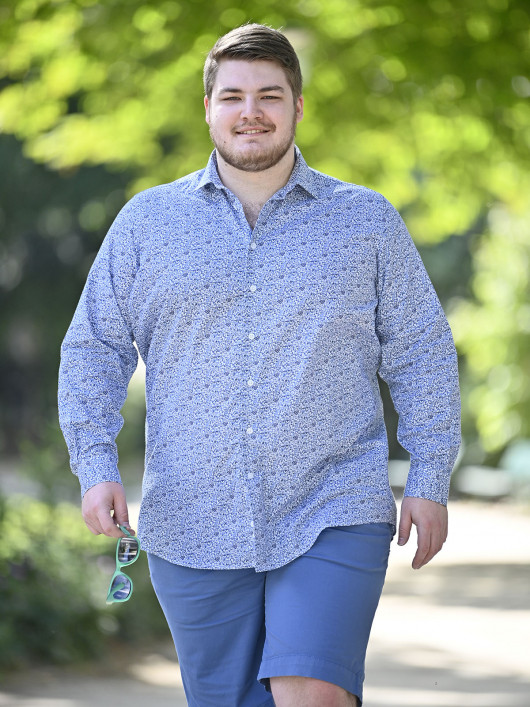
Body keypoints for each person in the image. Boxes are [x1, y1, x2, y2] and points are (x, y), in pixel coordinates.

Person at [58, 23, 460, 707]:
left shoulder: (366, 222)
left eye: (270, 95)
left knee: (311, 692)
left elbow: (421, 350)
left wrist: (428, 473)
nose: (252, 112)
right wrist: (94, 464)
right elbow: (93, 348)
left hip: (335, 505)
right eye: (234, 96)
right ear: (208, 108)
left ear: (297, 107)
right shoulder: (147, 223)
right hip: (193, 517)